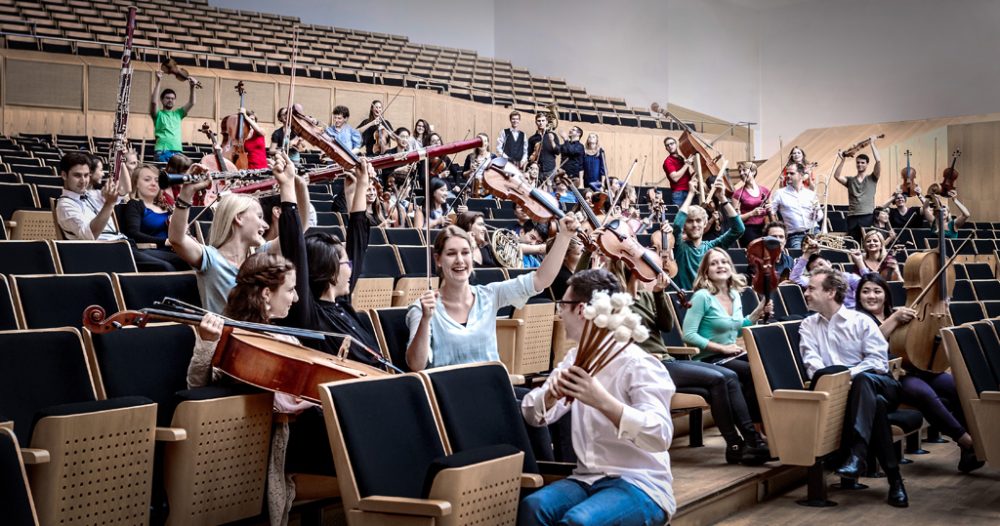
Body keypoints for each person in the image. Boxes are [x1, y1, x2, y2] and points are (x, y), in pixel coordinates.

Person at [518, 268, 675, 526]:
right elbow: (531, 414)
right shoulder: (574, 359)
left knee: (578, 522)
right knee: (533, 507)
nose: (559, 312)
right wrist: (550, 397)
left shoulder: (639, 363)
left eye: (562, 305)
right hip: (586, 477)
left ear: (581, 310)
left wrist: (601, 400)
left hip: (641, 482)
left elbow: (660, 435)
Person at [405, 214, 579, 371]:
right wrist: (426, 320)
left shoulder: (488, 295)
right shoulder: (422, 308)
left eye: (465, 253)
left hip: (492, 389)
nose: (460, 260)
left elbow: (540, 280)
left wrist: (564, 236)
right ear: (438, 259)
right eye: (451, 253)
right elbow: (416, 365)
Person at [799, 268, 908, 507]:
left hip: (882, 385)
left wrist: (846, 377)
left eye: (811, 288)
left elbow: (877, 362)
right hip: (842, 393)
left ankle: (858, 454)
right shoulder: (808, 325)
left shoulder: (860, 321)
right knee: (875, 406)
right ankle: (894, 480)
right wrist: (838, 383)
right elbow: (813, 364)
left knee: (864, 381)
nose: (805, 292)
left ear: (830, 292)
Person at [853, 274, 984, 473]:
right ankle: (967, 442)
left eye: (877, 291)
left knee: (954, 386)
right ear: (858, 295)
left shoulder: (898, 313)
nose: (872, 296)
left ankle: (971, 446)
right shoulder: (857, 320)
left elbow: (922, 339)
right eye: (866, 291)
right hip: (889, 378)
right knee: (924, 393)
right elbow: (867, 344)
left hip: (915, 368)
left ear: (886, 295)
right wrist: (894, 319)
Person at [168, 154, 307, 313]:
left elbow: (295, 232)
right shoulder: (211, 259)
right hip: (224, 335)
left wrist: (298, 185)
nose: (265, 224)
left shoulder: (258, 258)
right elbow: (177, 239)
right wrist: (187, 192)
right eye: (259, 217)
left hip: (256, 333)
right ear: (239, 218)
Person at [682, 249, 772, 436]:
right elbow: (688, 335)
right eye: (714, 263)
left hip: (730, 355)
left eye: (724, 262)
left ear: (730, 267)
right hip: (708, 359)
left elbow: (737, 328)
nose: (720, 266)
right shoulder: (702, 297)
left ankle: (768, 423)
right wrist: (723, 348)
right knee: (749, 371)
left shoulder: (734, 294)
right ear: (706, 271)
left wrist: (758, 311)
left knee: (765, 365)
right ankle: (756, 430)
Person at [55, 152, 180, 272]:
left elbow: (125, 189)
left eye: (86, 175)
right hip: (105, 253)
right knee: (165, 268)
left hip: (124, 245)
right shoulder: (65, 205)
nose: (83, 181)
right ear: (64, 175)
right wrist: (109, 204)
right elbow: (90, 236)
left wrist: (121, 158)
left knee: (183, 260)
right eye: (77, 175)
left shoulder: (93, 194)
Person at [672, 177, 746, 290]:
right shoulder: (678, 246)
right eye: (690, 221)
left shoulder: (712, 248)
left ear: (705, 223)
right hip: (684, 301)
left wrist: (722, 198)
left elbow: (739, 229)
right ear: (684, 226)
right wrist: (691, 194)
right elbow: (677, 225)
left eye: (698, 221)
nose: (695, 225)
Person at [120, 164, 189, 270]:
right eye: (147, 180)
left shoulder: (166, 205)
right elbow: (133, 234)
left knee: (199, 262)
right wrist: (165, 241)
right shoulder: (134, 204)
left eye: (157, 181)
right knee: (177, 264)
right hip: (149, 251)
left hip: (173, 250)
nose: (153, 184)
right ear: (136, 183)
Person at [834, 136, 881, 244]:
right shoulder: (850, 180)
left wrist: (872, 143)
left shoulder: (872, 178)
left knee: (868, 243)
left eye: (862, 162)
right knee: (853, 245)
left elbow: (878, 161)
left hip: (867, 216)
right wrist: (843, 159)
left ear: (867, 164)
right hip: (852, 217)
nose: (860, 164)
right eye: (858, 162)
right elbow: (837, 176)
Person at [790, 238, 862, 309]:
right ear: (811, 273)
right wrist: (807, 254)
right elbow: (794, 277)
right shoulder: (812, 282)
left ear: (829, 263)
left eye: (821, 264)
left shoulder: (847, 277)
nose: (820, 268)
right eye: (815, 268)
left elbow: (868, 283)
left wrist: (860, 262)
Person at [150, 70, 197, 163]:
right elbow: (154, 102)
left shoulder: (178, 114)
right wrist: (158, 81)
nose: (170, 100)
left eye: (172, 98)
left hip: (178, 152)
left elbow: (192, 103)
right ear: (162, 100)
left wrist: (192, 87)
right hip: (162, 151)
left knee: (177, 177)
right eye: (167, 98)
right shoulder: (158, 114)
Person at [770, 161, 820, 249]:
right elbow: (771, 211)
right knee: (798, 259)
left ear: (801, 175)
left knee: (821, 257)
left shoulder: (811, 194)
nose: (788, 175)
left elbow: (819, 215)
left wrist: (817, 214)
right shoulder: (779, 193)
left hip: (815, 232)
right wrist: (778, 228)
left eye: (792, 173)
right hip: (795, 236)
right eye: (787, 173)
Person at [732, 161, 771, 245]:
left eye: (744, 170)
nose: (741, 173)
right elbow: (736, 219)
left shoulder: (765, 190)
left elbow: (770, 211)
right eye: (740, 171)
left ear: (753, 172)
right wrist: (752, 213)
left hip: (765, 227)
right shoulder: (737, 194)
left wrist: (770, 208)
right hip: (748, 229)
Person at [662, 137, 694, 207]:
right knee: (680, 217)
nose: (670, 146)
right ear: (666, 148)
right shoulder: (668, 161)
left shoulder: (680, 158)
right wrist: (687, 164)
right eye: (667, 145)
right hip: (679, 194)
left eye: (671, 144)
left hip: (688, 191)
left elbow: (685, 175)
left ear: (676, 144)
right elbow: (675, 178)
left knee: (690, 217)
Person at [527, 112, 560, 181]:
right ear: (536, 122)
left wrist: (552, 141)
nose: (541, 123)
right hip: (538, 171)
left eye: (543, 121)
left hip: (550, 170)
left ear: (546, 122)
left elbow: (558, 152)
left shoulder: (553, 135)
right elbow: (529, 155)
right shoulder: (532, 139)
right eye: (539, 121)